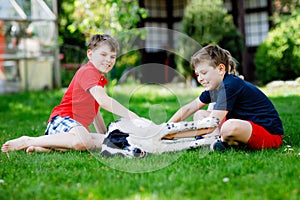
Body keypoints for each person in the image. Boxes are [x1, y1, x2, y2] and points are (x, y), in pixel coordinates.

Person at [2, 34, 140, 153]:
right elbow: (103, 101)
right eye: (103, 55)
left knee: (108, 140)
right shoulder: (88, 71)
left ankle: (45, 147)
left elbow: (95, 110)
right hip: (62, 120)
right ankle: (28, 140)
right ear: (90, 54)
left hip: (74, 130)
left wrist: (104, 133)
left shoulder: (99, 78)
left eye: (113, 57)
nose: (108, 60)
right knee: (84, 141)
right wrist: (132, 115)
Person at [168, 44, 284, 151]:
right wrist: (167, 127)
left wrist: (173, 134)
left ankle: (219, 140)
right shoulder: (214, 87)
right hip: (245, 126)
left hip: (268, 134)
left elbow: (210, 125)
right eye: (198, 74)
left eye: (204, 72)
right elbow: (189, 108)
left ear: (220, 69)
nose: (200, 79)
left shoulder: (230, 85)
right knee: (200, 115)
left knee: (229, 127)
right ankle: (220, 142)